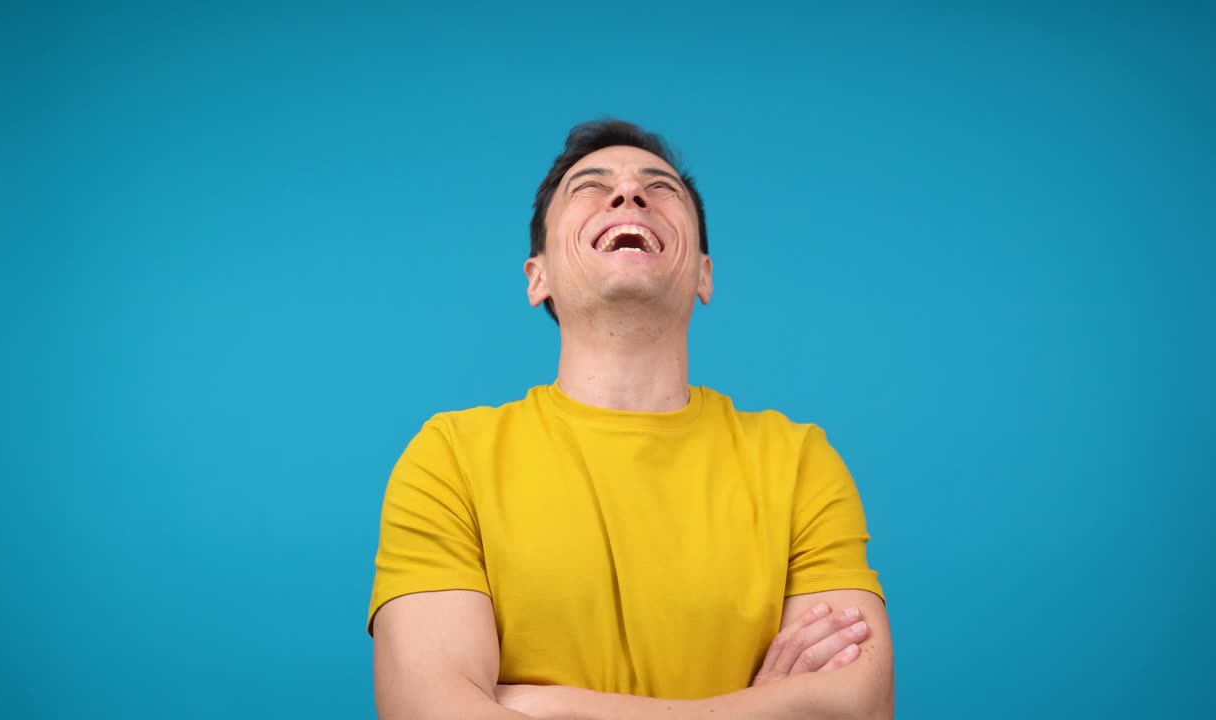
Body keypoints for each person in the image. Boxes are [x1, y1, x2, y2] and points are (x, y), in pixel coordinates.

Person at [367, 119, 894, 719]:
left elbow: (860, 708)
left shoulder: (798, 460)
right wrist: (761, 708)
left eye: (660, 188)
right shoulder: (450, 458)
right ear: (537, 278)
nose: (628, 194)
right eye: (589, 186)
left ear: (703, 274)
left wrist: (544, 706)